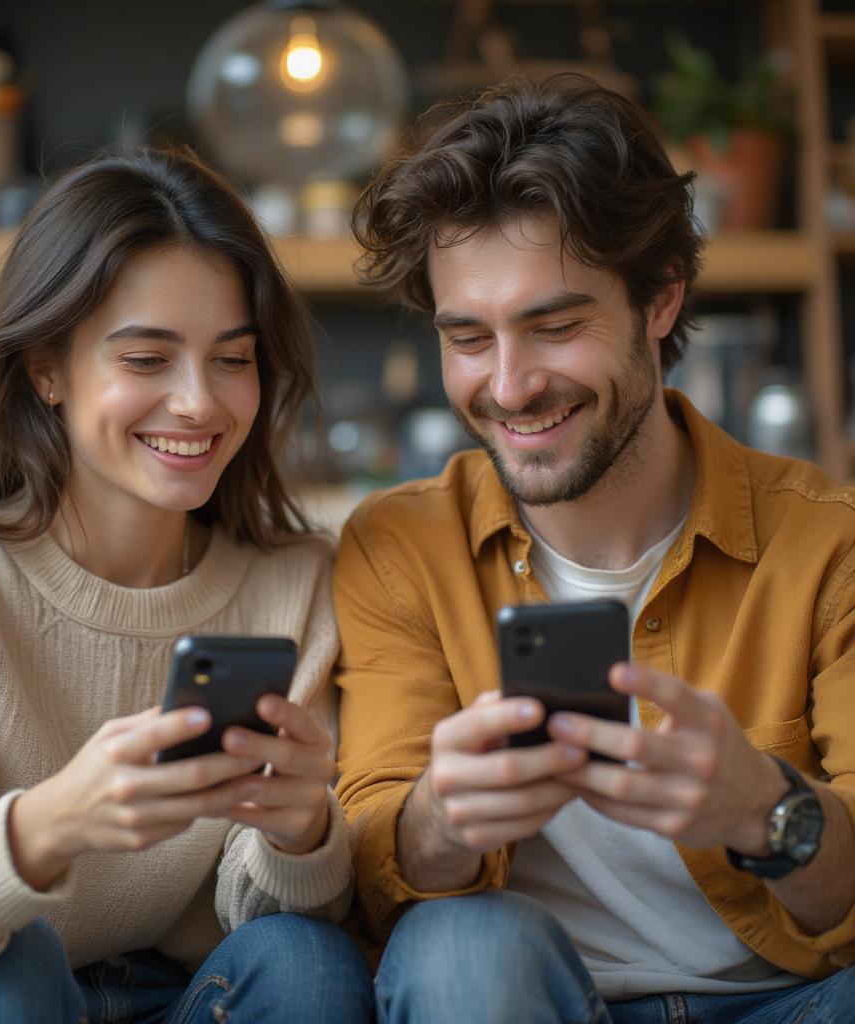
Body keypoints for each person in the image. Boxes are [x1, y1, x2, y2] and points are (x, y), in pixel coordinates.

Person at [333, 73, 855, 1023]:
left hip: (795, 1001)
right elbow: (371, 861)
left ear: (660, 301)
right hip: (528, 994)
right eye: (468, 338)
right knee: (457, 947)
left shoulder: (829, 544)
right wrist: (442, 818)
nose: (510, 386)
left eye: (555, 326)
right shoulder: (400, 544)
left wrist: (765, 813)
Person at [0, 147, 374, 1024]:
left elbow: (272, 917)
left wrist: (299, 832)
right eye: (149, 358)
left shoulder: (296, 582)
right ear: (47, 367)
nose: (200, 402)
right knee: (7, 965)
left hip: (183, 994)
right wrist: (51, 822)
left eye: (231, 359)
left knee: (305, 961)